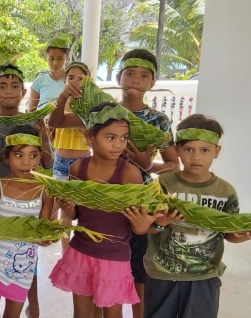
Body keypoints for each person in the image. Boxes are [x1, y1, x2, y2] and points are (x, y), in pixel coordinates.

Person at [48, 49, 180, 317]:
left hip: (136, 208)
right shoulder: (101, 113)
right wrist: (65, 93)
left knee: (134, 275)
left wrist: (145, 166)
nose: (135, 79)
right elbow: (56, 121)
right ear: (119, 77)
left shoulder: (159, 121)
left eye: (143, 75)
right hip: (97, 211)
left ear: (152, 82)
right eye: (129, 73)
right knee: (95, 282)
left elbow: (173, 165)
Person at [50, 102, 165, 318]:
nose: (118, 145)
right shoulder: (78, 168)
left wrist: (144, 225)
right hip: (80, 252)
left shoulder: (129, 174)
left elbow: (137, 227)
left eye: (123, 138)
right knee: (82, 313)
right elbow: (75, 215)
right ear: (89, 137)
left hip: (115, 258)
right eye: (110, 137)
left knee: (113, 314)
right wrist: (67, 209)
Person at [142, 114, 249, 318]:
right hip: (162, 273)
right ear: (177, 150)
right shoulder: (161, 185)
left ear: (217, 151)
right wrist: (163, 223)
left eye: (205, 150)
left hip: (204, 276)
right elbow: (145, 226)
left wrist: (242, 235)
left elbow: (228, 233)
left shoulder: (225, 191)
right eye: (189, 149)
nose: (196, 157)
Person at [0, 64, 53, 318]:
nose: (9, 91)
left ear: (23, 91)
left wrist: (43, 138)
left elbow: (49, 163)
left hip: (27, 204)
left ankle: (32, 302)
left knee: (24, 260)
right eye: (2, 86)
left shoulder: (34, 122)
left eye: (15, 86)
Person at [51, 62, 92, 253]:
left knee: (83, 207)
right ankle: (65, 252)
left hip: (83, 161)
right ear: (64, 80)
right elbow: (53, 126)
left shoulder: (90, 105)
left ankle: (83, 251)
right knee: (64, 207)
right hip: (60, 160)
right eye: (71, 77)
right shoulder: (58, 102)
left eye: (81, 78)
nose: (75, 81)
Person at [28, 38, 70, 112]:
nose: (55, 63)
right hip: (42, 123)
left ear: (67, 58)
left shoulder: (71, 82)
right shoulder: (39, 81)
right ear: (46, 58)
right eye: (51, 58)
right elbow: (31, 112)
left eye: (60, 59)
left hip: (65, 123)